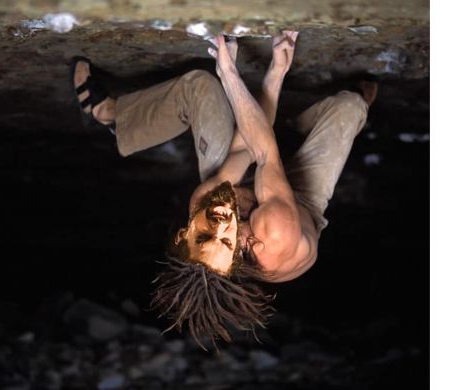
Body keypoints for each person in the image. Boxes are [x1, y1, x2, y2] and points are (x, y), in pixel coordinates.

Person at [72, 31, 377, 351]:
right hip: (298, 201)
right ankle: (310, 122)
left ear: (186, 235)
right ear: (240, 250)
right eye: (226, 241)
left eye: (204, 235)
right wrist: (273, 70)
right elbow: (265, 153)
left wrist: (225, 70)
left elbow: (246, 149)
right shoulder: (274, 237)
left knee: (201, 86)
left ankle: (116, 117)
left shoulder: (204, 205)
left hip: (254, 176)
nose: (219, 223)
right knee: (349, 106)